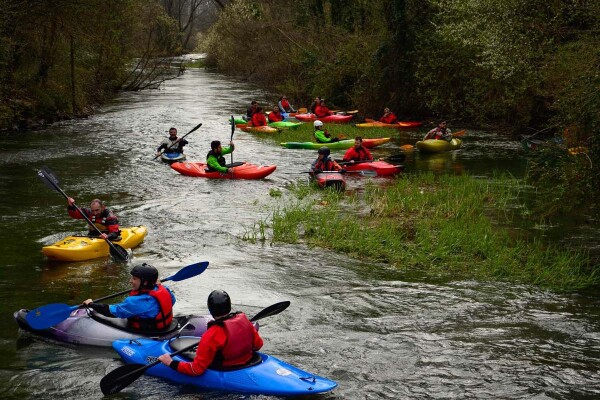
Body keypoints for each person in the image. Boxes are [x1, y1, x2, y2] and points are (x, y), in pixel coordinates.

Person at [158, 290, 263, 375]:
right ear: (229, 306)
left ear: (210, 310)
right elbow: (258, 345)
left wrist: (171, 363)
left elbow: (196, 370)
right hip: (249, 362)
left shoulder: (212, 334)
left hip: (226, 369)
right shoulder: (244, 320)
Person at [83, 263, 176, 331]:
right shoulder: (164, 289)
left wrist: (91, 304)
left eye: (134, 279)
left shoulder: (137, 302)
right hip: (167, 325)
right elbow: (173, 300)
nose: (130, 281)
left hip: (151, 330)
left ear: (145, 282)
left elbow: (112, 311)